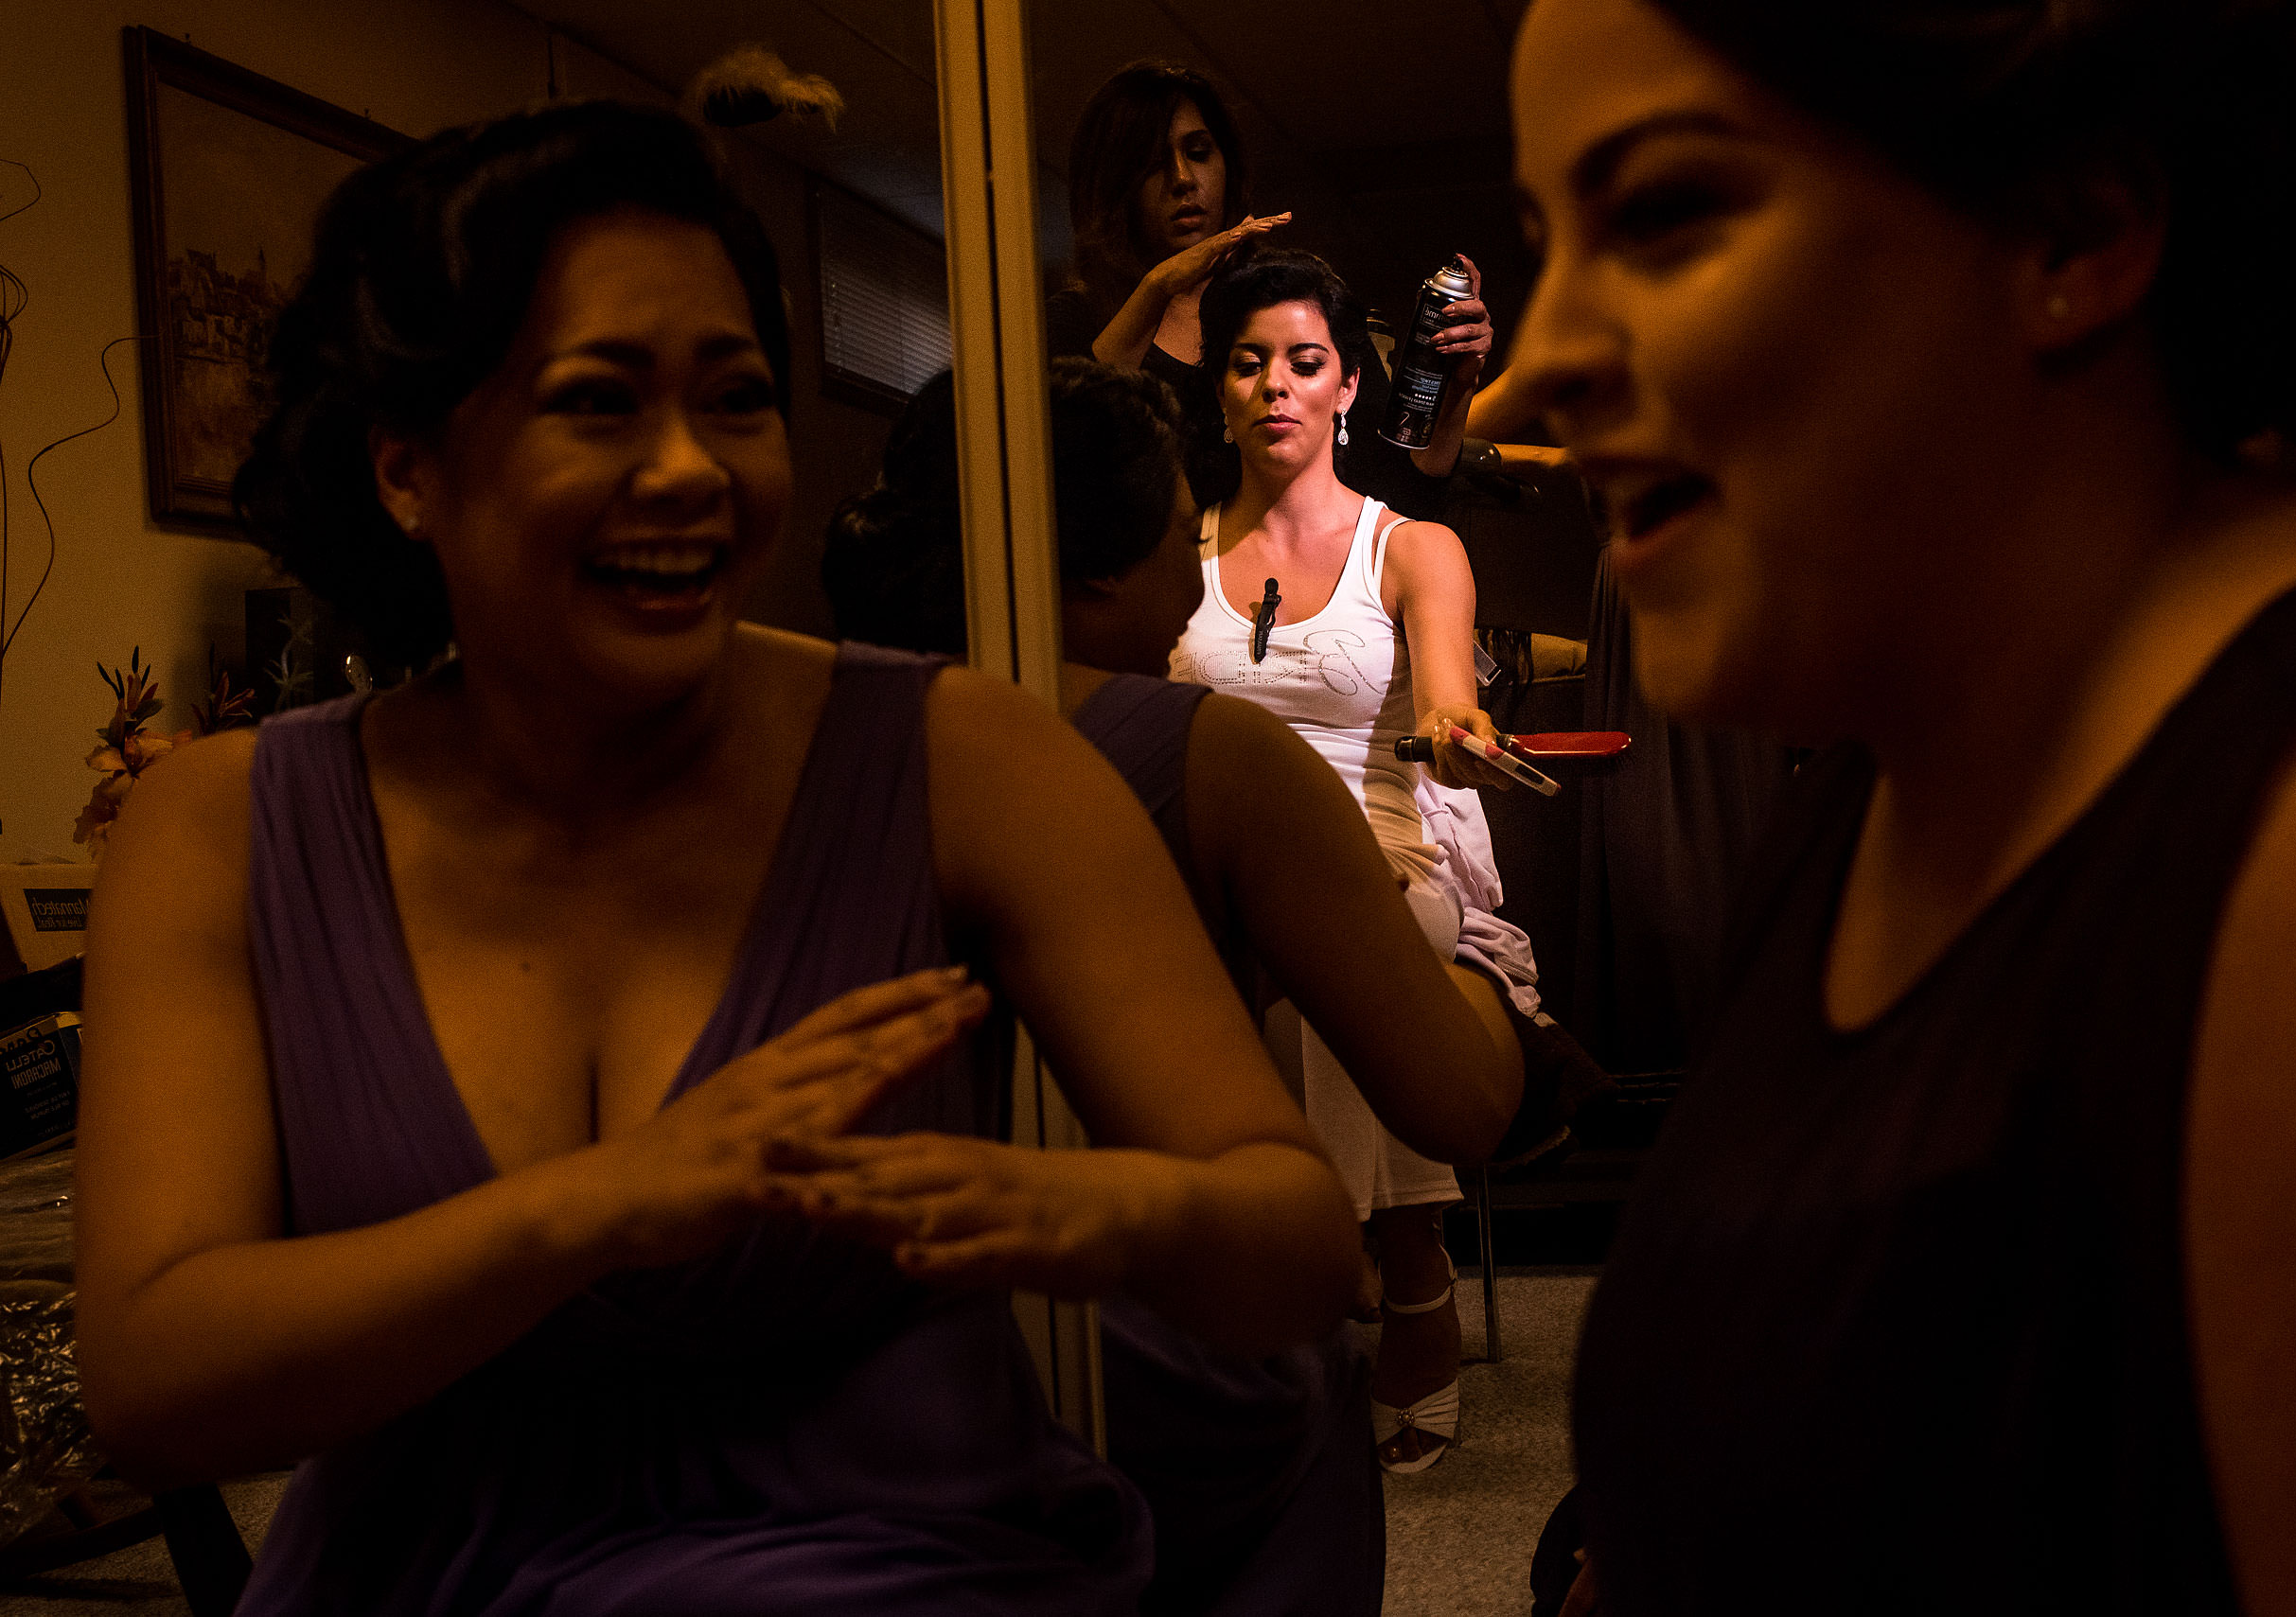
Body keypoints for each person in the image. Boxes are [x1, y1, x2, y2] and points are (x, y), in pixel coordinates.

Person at [70, 100, 1364, 1616]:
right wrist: (607, 1205)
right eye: (599, 404)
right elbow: (153, 1378)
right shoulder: (223, 826)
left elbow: (1297, 1241)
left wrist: (1098, 1212)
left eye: (736, 398)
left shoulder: (963, 760)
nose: (688, 468)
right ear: (409, 465)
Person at [1505, 0, 2296, 1610]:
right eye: (1543, 241)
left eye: (1660, 215)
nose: (1529, 371)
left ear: (2073, 226)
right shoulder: (1884, 776)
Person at [827, 355, 1525, 1612]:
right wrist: (1477, 957)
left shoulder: (805, 732)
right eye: (1173, 549)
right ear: (1100, 568)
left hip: (864, 1363)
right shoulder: (1207, 756)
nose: (1190, 590)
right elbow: (1463, 1099)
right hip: (1159, 1366)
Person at [1160, 245, 1515, 1474]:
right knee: (1235, 934)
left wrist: (1460, 738)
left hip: (1378, 854)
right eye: (1249, 365)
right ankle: (1403, 1257)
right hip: (1217, 859)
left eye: (1304, 363)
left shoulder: (1410, 547)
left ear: (1351, 385)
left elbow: (1450, 701)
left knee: (1345, 929)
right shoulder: (1182, 551)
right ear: (1219, 391)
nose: (1277, 388)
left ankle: (1350, 1265)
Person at [1046, 60, 1494, 515]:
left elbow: (1402, 488)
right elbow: (1067, 465)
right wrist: (1157, 287)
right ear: (1115, 184)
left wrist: (1458, 385)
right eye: (1153, 164)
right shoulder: (1079, 318)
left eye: (1199, 152)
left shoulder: (1289, 298)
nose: (1183, 179)